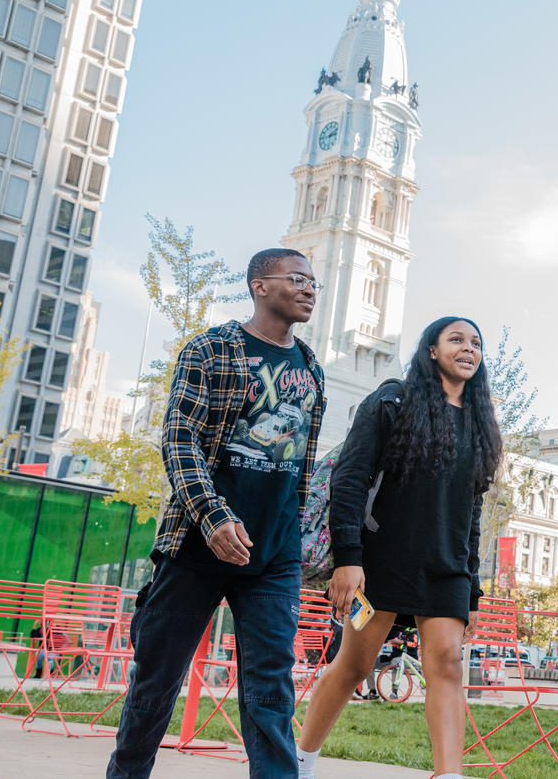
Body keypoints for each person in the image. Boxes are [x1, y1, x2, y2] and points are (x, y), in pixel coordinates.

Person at [107, 249, 326, 779]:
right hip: (195, 547)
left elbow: (299, 466)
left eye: (313, 282)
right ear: (259, 286)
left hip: (273, 555)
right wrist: (213, 515)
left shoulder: (311, 367)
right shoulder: (211, 349)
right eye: (296, 279)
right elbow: (179, 440)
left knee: (271, 686)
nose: (309, 289)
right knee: (156, 679)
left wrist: (295, 540)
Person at [296, 317, 502, 779]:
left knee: (448, 665)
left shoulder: (480, 422)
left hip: (445, 567)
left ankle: (449, 774)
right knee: (353, 665)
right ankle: (301, 760)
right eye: (456, 340)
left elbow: (471, 509)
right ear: (431, 350)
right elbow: (349, 480)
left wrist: (471, 582)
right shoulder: (392, 401)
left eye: (476, 342)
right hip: (378, 561)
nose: (469, 348)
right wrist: (348, 560)